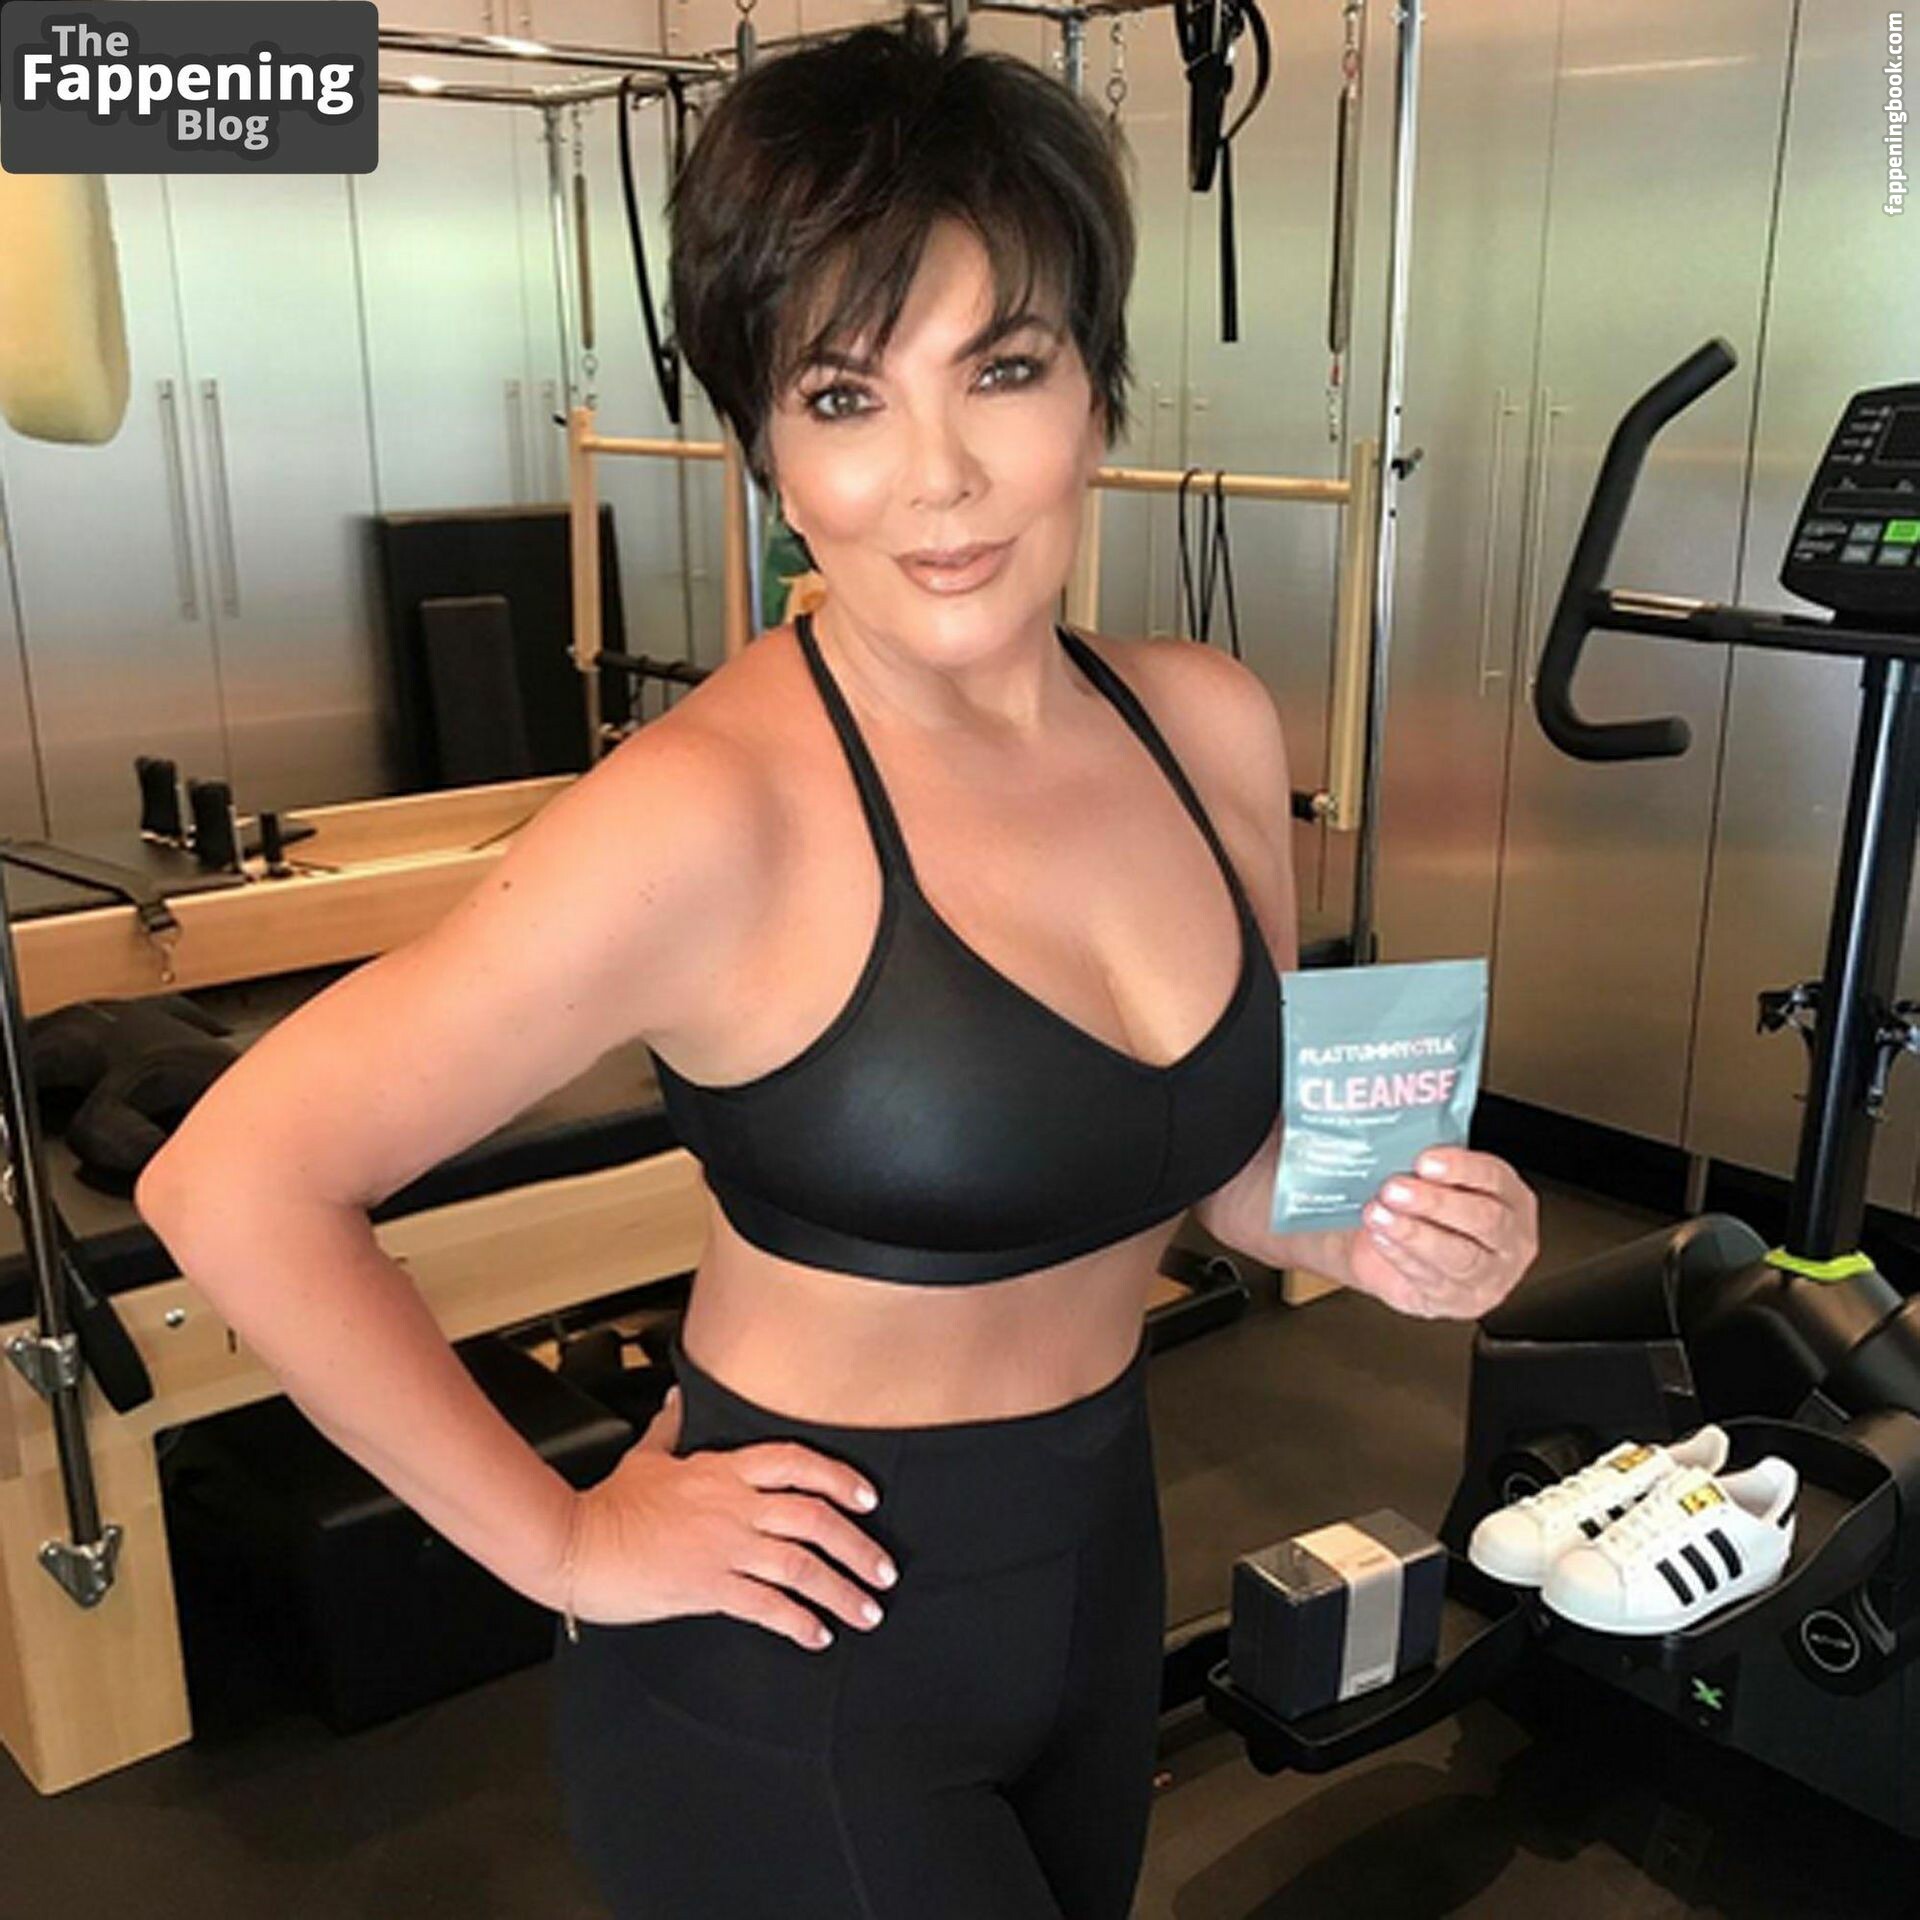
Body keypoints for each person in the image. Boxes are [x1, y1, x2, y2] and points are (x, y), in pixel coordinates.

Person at [136, 12, 1540, 1917]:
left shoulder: (1203, 724)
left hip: (1098, 1570)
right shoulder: (709, 813)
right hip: (795, 1651)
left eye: (1005, 369)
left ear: (1099, 395)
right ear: (774, 454)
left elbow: (1226, 1173)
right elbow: (234, 1180)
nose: (939, 477)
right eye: (846, 395)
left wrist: (1391, 1232)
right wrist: (562, 1542)